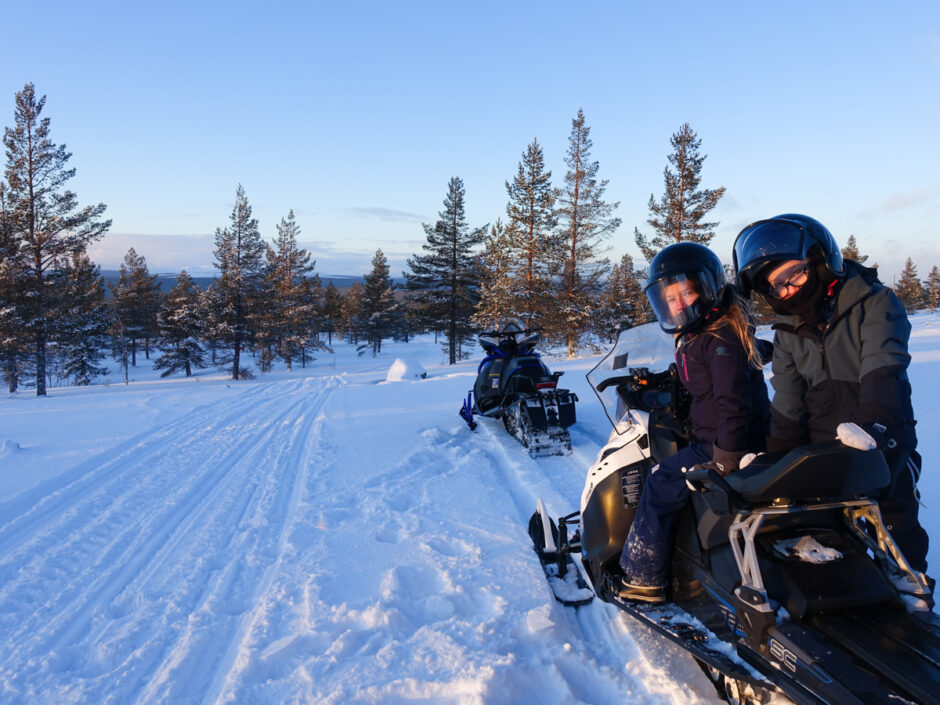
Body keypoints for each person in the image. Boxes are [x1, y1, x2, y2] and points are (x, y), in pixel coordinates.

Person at [733, 213, 929, 577]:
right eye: (776, 287)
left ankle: (913, 595)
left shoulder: (874, 303)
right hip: (822, 454)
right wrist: (771, 463)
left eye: (793, 275)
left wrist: (875, 427)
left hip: (883, 443)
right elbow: (788, 404)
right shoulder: (788, 332)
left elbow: (883, 367)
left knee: (897, 533)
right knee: (827, 543)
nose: (787, 291)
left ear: (821, 261)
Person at [616, 242, 770, 602]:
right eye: (670, 299)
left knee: (659, 483)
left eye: (686, 292)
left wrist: (725, 456)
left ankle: (644, 577)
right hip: (720, 436)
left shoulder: (719, 338)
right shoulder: (705, 333)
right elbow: (711, 377)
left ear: (707, 288)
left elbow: (732, 401)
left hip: (727, 442)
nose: (679, 303)